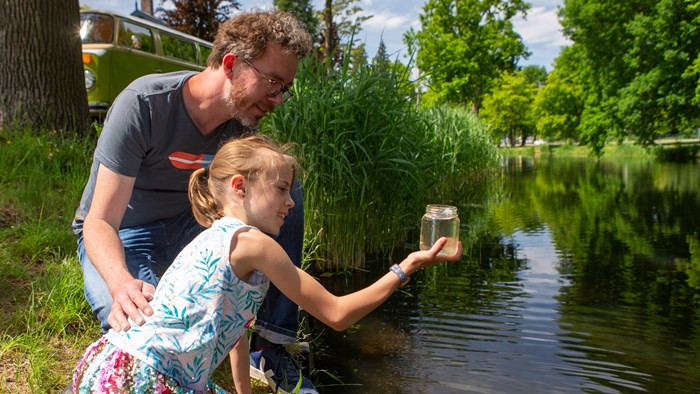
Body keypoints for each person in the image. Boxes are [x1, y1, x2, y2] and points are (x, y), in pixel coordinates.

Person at [70, 135, 463, 393]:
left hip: (113, 366)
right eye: (281, 189)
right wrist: (406, 267)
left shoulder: (212, 238)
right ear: (240, 187)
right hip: (147, 380)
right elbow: (338, 314)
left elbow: (234, 328)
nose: (291, 203)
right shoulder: (254, 243)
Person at [71, 9, 319, 393]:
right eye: (273, 83)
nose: (278, 100)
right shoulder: (145, 104)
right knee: (141, 325)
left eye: (284, 88)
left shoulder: (240, 129)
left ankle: (268, 345)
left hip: (194, 231)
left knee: (284, 186)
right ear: (233, 65)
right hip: (126, 234)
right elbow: (99, 221)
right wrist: (120, 282)